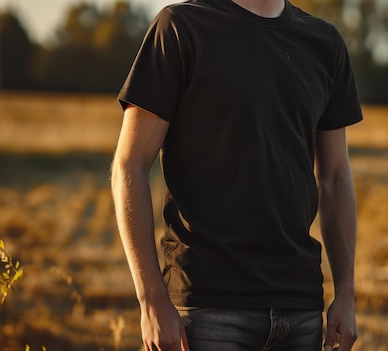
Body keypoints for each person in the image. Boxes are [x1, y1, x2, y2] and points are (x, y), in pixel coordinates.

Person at [110, 0, 363, 349]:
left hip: (300, 307)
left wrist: (346, 295)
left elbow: (335, 177)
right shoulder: (182, 28)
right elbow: (130, 164)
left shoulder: (324, 43)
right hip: (207, 307)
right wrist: (151, 299)